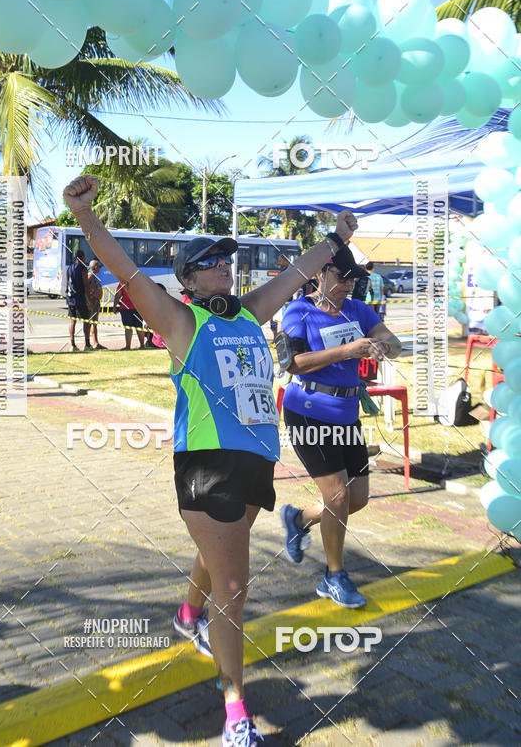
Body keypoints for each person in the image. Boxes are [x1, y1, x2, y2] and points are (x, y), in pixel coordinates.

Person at [62, 174, 357, 747]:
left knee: (222, 560)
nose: (226, 267)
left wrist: (336, 239)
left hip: (255, 462)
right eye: (212, 262)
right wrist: (86, 218)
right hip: (206, 465)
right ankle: (236, 714)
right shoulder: (181, 321)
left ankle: (187, 615)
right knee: (236, 585)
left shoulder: (247, 313)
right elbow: (125, 271)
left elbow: (296, 273)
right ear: (189, 279)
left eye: (228, 260)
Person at [279, 249, 402, 608]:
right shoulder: (298, 311)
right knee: (337, 497)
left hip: (347, 414)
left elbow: (392, 341)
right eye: (341, 277)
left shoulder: (358, 310)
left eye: (352, 279)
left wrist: (385, 346)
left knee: (357, 499)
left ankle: (299, 518)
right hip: (308, 412)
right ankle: (334, 576)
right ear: (320, 273)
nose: (347, 284)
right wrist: (347, 351)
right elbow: (294, 364)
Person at [66, 249, 91, 352]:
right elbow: (85, 285)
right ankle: (87, 344)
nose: (85, 259)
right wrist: (88, 299)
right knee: (86, 321)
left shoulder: (70, 268)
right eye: (84, 257)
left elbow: (68, 283)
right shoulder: (83, 269)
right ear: (80, 258)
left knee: (72, 321)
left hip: (71, 298)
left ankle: (72, 344)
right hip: (80, 298)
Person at [113, 281, 146, 349]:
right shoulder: (137, 283)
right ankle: (142, 345)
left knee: (128, 328)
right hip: (137, 308)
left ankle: (128, 346)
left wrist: (114, 307)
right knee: (139, 327)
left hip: (125, 308)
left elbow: (117, 296)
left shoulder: (122, 283)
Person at [87, 259, 106, 350]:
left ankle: (95, 342)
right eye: (99, 266)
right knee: (90, 323)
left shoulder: (95, 276)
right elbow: (86, 288)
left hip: (96, 303)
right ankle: (89, 343)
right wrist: (90, 299)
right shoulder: (90, 275)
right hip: (92, 303)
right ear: (95, 267)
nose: (100, 268)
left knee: (94, 324)